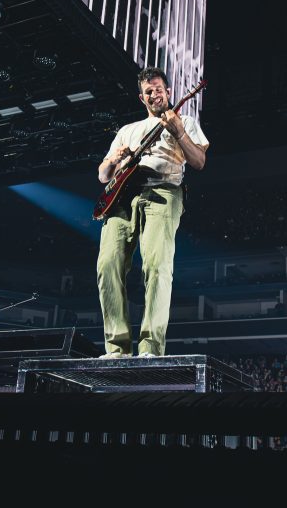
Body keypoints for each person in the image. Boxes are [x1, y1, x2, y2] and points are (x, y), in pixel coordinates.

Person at [95, 67, 207, 357]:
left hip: (163, 192)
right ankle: (116, 349)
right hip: (122, 198)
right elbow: (103, 176)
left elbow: (199, 161)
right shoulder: (127, 130)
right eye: (148, 91)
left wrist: (178, 131)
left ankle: (151, 347)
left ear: (168, 92)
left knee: (157, 267)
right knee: (107, 265)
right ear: (141, 98)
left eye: (158, 89)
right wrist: (113, 160)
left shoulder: (185, 121)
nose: (154, 94)